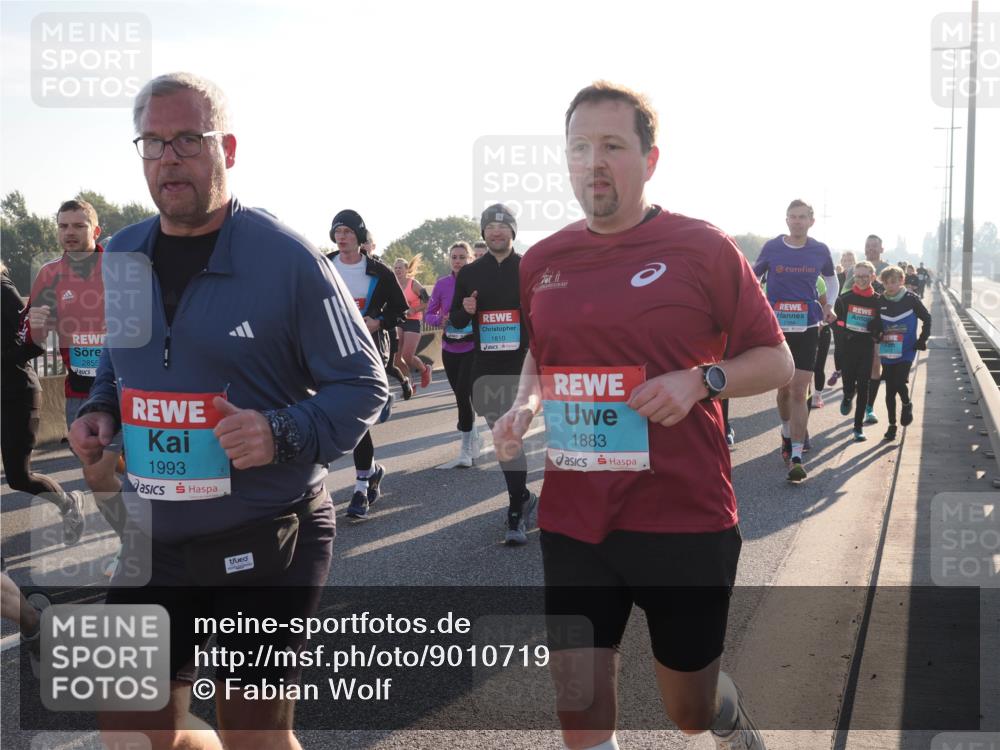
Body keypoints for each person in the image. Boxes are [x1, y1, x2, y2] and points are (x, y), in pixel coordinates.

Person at [70, 72, 387, 750]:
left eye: (188, 138)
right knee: (127, 732)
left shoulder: (290, 258)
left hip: (267, 535)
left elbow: (365, 383)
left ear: (228, 149)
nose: (168, 157)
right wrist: (102, 410)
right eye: (152, 142)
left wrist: (280, 431)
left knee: (255, 736)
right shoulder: (122, 253)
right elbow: (120, 361)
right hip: (153, 535)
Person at [494, 81, 792, 750]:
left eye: (612, 146)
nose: (592, 162)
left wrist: (701, 380)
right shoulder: (542, 260)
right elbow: (543, 355)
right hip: (574, 517)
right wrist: (524, 404)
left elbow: (774, 360)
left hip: (681, 516)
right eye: (578, 147)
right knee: (579, 712)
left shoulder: (703, 248)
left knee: (688, 709)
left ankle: (726, 717)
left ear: (649, 160)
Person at [27, 199, 126, 574]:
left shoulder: (117, 267)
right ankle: (131, 539)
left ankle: (155, 545)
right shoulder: (49, 274)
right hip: (80, 394)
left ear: (95, 231)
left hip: (125, 390)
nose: (70, 232)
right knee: (98, 475)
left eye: (79, 225)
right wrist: (37, 326)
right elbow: (37, 339)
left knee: (139, 475)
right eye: (63, 225)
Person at [450, 203, 538, 545]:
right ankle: (523, 498)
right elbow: (456, 320)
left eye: (502, 227)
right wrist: (465, 310)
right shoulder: (470, 273)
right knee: (505, 437)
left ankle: (517, 506)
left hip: (525, 364)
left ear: (512, 231)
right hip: (485, 366)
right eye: (490, 228)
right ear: (483, 233)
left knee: (511, 433)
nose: (496, 232)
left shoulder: (529, 267)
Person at [327, 209, 407, 520]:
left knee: (358, 418)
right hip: (330, 353)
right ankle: (372, 471)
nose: (341, 237)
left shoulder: (379, 272)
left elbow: (400, 310)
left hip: (367, 353)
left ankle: (361, 486)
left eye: (347, 231)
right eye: (337, 232)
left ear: (360, 236)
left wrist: (378, 321)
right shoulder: (324, 266)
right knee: (337, 418)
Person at [754, 200, 837, 483]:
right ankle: (786, 432)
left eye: (802, 217)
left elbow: (831, 278)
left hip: (808, 326)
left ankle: (797, 456)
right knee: (784, 391)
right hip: (776, 329)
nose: (797, 221)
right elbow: (751, 280)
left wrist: (830, 306)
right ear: (786, 220)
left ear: (811, 221)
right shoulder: (772, 248)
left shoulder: (820, 250)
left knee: (800, 391)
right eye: (793, 217)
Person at [2, 263, 86, 545]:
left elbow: (36, 344)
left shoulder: (4, 292)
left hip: (15, 393)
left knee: (18, 477)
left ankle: (68, 504)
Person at [425, 241, 481, 467]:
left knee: (462, 394)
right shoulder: (442, 284)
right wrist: (440, 319)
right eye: (454, 257)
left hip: (472, 348)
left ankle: (465, 451)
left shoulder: (477, 284)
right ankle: (473, 433)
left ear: (470, 259)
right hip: (449, 348)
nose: (457, 261)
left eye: (462, 257)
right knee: (463, 398)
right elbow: (427, 315)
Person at [877, 265, 931, 441]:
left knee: (900, 382)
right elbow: (874, 323)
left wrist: (921, 340)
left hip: (907, 349)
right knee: (889, 391)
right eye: (886, 283)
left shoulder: (911, 299)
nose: (890, 286)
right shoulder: (880, 301)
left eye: (894, 282)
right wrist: (876, 333)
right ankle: (892, 426)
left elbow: (927, 318)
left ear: (902, 281)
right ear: (883, 283)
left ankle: (906, 404)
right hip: (888, 349)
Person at [833, 261, 882, 441]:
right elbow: (836, 325)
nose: (861, 279)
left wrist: (877, 329)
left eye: (865, 276)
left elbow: (882, 325)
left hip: (867, 348)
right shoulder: (844, 299)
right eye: (858, 276)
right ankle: (847, 396)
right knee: (849, 386)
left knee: (864, 387)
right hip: (848, 348)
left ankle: (858, 427)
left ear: (873, 277)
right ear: (854, 277)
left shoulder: (878, 300)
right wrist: (843, 334)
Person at [860, 235, 890, 425]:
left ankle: (869, 408)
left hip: (878, 326)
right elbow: (845, 293)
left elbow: (896, 295)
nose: (871, 249)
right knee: (858, 368)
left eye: (874, 246)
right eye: (868, 246)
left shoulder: (888, 270)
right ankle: (851, 394)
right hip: (857, 325)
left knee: (875, 364)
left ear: (881, 248)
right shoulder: (859, 268)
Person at [392, 255, 433, 393]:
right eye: (395, 268)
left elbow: (428, 302)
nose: (397, 270)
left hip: (413, 321)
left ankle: (424, 369)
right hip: (399, 321)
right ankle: (409, 384)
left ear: (406, 269)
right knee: (397, 359)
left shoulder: (413, 284)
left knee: (407, 355)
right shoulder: (392, 284)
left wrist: (414, 309)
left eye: (400, 268)